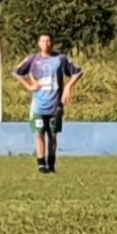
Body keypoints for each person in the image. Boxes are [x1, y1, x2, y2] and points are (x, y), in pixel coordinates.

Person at [16, 34, 80, 174]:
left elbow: (77, 72)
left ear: (53, 42)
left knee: (52, 135)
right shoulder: (33, 59)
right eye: (43, 41)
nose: (46, 44)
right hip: (38, 105)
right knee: (39, 134)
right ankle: (41, 164)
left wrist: (68, 86)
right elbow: (18, 73)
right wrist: (29, 86)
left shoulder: (61, 59)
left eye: (49, 41)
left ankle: (51, 164)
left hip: (55, 105)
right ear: (39, 43)